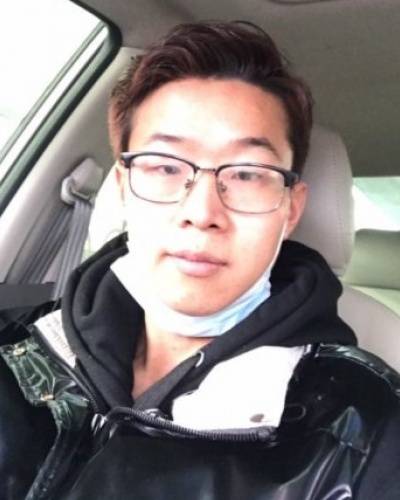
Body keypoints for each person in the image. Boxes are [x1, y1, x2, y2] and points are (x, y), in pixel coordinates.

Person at [1, 21, 399, 500]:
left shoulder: (369, 433)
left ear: (291, 209)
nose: (202, 212)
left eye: (248, 173)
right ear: (124, 188)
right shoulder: (16, 349)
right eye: (166, 166)